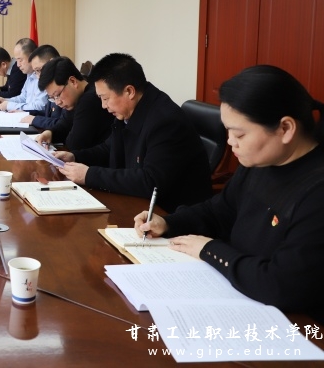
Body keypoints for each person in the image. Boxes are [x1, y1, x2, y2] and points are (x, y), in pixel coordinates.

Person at [135, 65, 324, 322]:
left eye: (239, 134)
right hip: (239, 293)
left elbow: (281, 284)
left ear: (285, 129)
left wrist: (210, 250)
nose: (230, 142)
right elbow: (220, 211)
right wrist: (168, 222)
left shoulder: (316, 191)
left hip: (293, 323)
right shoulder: (260, 162)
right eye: (227, 131)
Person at [54, 53, 212, 212]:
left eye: (105, 98)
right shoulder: (129, 110)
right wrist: (75, 157)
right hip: (138, 204)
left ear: (129, 91)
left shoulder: (166, 122)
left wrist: (89, 175)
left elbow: (150, 182)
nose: (103, 105)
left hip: (170, 213)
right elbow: (109, 147)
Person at [36, 56, 114, 150]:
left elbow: (74, 144)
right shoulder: (76, 98)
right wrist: (49, 133)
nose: (57, 102)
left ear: (73, 81)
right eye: (52, 98)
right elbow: (64, 124)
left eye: (58, 95)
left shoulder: (90, 99)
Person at [0, 38, 48, 113]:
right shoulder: (29, 75)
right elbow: (23, 97)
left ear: (32, 57)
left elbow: (39, 107)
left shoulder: (42, 76)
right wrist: (6, 100)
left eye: (20, 60)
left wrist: (9, 105)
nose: (18, 65)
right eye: (17, 60)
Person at [18, 44, 64, 129]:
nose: (38, 77)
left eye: (39, 70)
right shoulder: (50, 85)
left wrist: (34, 119)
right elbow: (47, 114)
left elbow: (62, 124)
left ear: (52, 62)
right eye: (35, 72)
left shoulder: (63, 87)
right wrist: (26, 113)